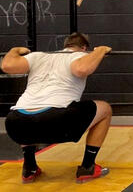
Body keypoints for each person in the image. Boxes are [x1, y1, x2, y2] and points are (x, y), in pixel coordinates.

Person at [1, 33, 112, 184]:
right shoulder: (78, 56)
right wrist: (100, 51)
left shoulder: (38, 56)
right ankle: (88, 167)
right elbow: (82, 69)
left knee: (26, 112)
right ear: (84, 47)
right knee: (105, 109)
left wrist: (14, 50)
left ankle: (30, 168)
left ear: (65, 45)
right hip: (57, 122)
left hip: (15, 125)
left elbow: (7, 65)